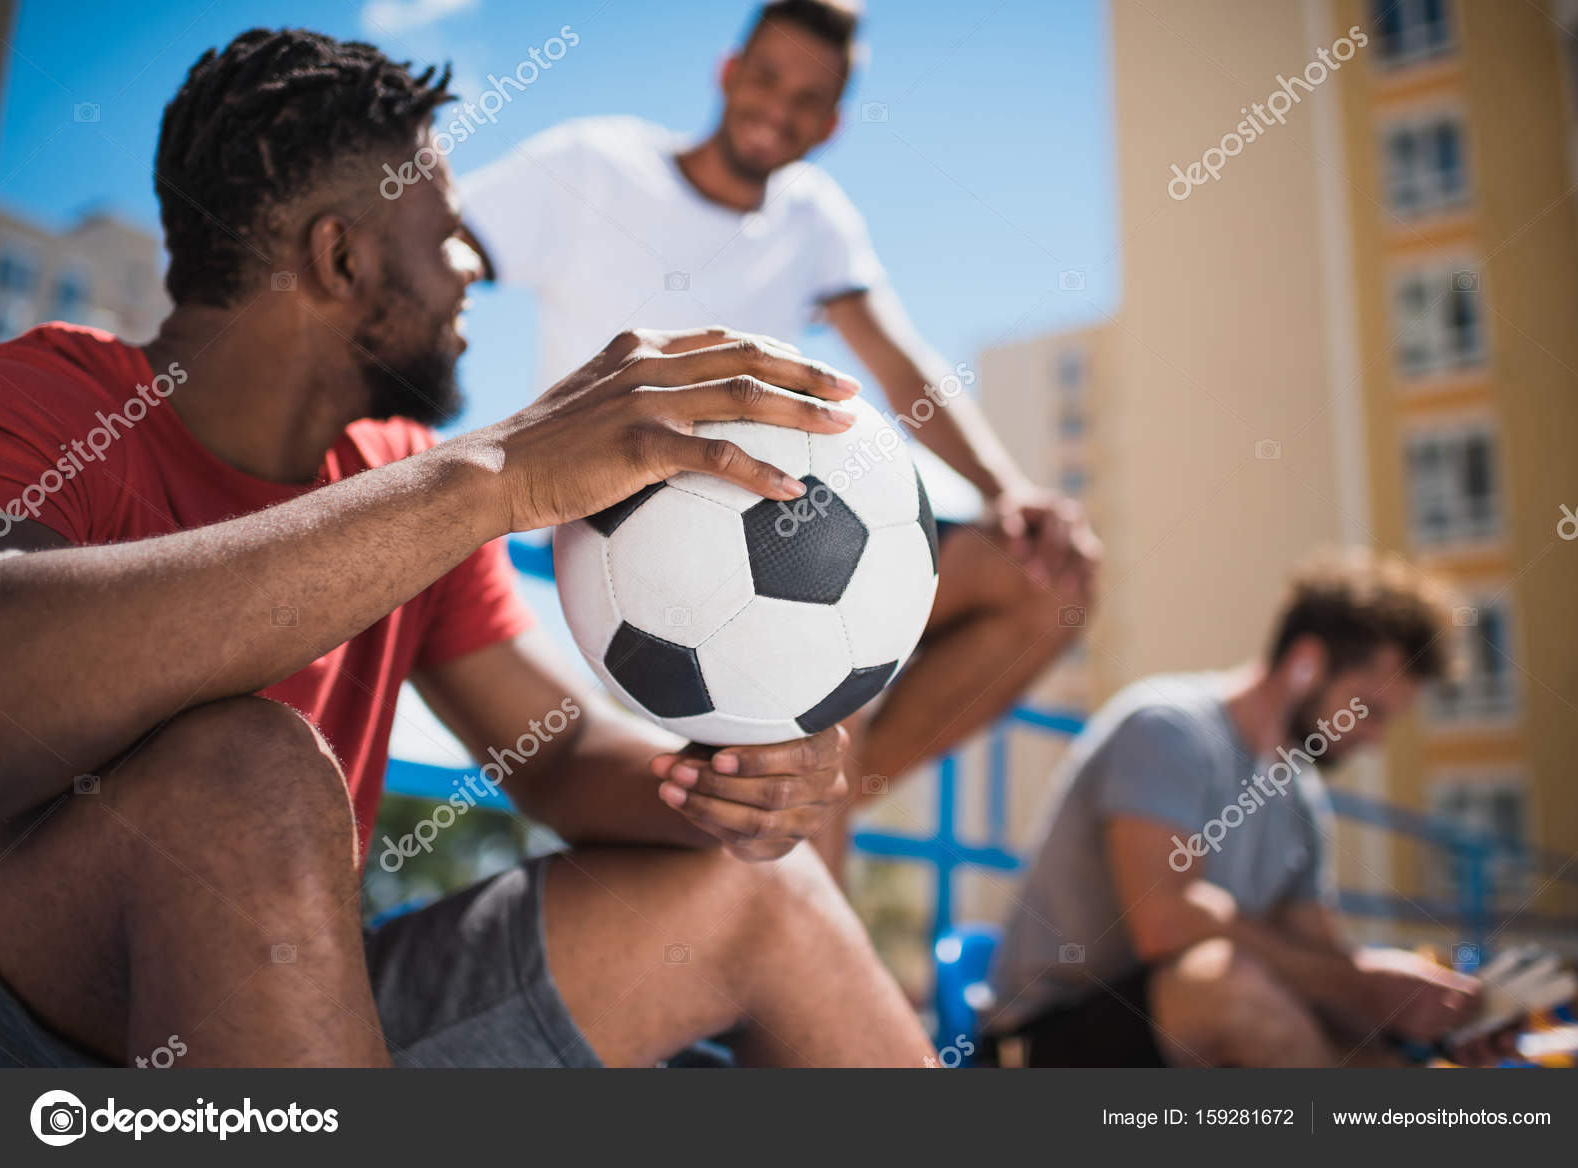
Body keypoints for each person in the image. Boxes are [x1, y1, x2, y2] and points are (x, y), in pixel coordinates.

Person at [0, 28, 935, 1069]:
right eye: (445, 235)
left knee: (763, 884)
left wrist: (719, 785)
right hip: (39, 1022)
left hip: (296, 996)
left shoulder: (399, 469)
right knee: (247, 776)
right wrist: (493, 476)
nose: (472, 269)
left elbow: (562, 759)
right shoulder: (53, 396)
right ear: (339, 257)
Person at [459, 0, 1102, 875]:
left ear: (832, 123)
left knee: (1046, 583)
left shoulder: (814, 218)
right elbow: (439, 258)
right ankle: (809, 865)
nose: (778, 108)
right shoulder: (593, 162)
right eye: (766, 77)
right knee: (809, 705)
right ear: (728, 74)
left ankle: (823, 808)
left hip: (780, 518)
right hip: (622, 536)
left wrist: (1008, 489)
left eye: (809, 97)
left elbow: (899, 358)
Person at [986, 550, 1515, 1067]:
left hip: (1171, 1040)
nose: (1374, 739)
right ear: (1307, 664)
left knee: (1358, 1042)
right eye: (1368, 710)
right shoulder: (1168, 728)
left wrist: (1424, 1028)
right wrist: (1358, 982)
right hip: (1043, 1042)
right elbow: (1165, 922)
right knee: (1228, 983)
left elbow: (1320, 964)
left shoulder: (1302, 799)